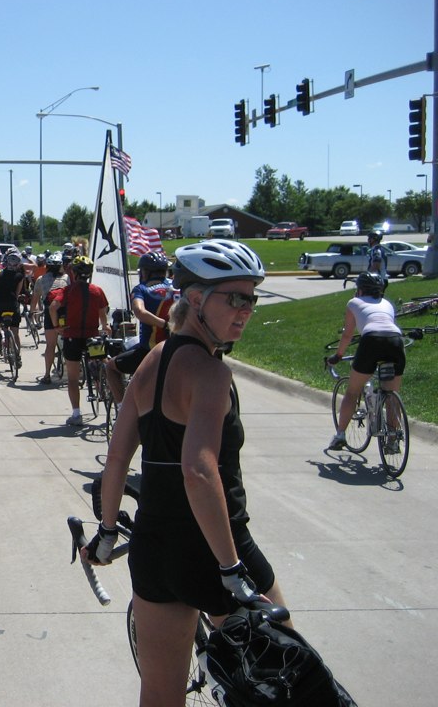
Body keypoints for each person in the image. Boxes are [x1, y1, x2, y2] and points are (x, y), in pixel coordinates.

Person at [93, 239, 288, 707]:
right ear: (196, 299)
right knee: (285, 677)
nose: (246, 310)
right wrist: (231, 569)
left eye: (252, 299)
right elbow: (198, 471)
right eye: (235, 298)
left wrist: (106, 532)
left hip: (154, 548)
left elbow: (116, 458)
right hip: (216, 548)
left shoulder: (151, 361)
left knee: (160, 694)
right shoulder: (211, 373)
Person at [326, 271, 405, 451]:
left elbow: (347, 334)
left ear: (360, 290)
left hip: (371, 340)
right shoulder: (387, 303)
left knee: (352, 391)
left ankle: (340, 435)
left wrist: (338, 356)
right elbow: (386, 326)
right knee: (392, 394)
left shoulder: (354, 302)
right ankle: (393, 440)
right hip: (395, 340)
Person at [47, 255, 111, 424]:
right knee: (102, 365)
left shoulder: (68, 290)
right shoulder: (97, 291)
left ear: (74, 273)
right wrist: (105, 326)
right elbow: (103, 312)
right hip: (92, 337)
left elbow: (53, 307)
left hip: (72, 338)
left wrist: (56, 326)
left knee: (73, 379)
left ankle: (76, 414)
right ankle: (105, 391)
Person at [106, 252, 175, 405]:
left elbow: (139, 311)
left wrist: (163, 324)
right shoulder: (176, 287)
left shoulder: (141, 289)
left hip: (149, 351)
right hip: (178, 347)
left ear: (145, 271)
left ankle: (122, 409)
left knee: (111, 367)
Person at [0, 247, 26, 366]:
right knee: (15, 332)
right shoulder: (20, 276)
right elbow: (17, 294)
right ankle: (17, 356)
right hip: (12, 305)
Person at [34, 252, 67, 384]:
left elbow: (35, 299)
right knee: (69, 340)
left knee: (50, 345)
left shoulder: (40, 279)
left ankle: (47, 374)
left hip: (50, 312)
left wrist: (32, 312)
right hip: (64, 312)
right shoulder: (66, 278)